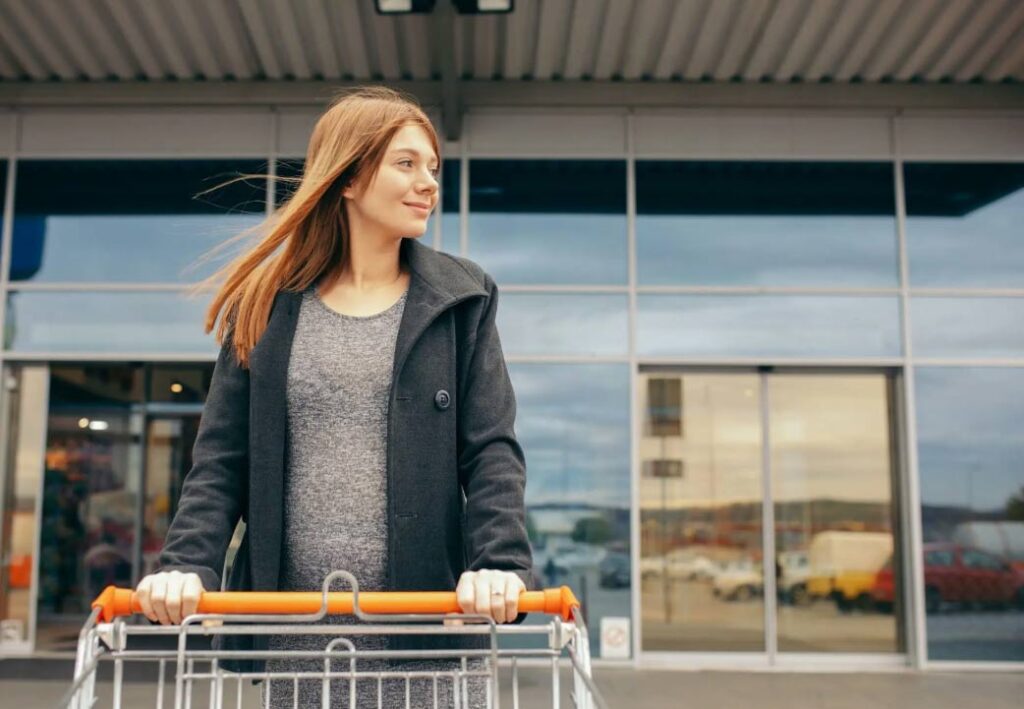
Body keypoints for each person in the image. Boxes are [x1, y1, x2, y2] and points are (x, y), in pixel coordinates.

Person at [134, 86, 535, 708]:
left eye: (433, 167)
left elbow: (491, 452)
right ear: (347, 178)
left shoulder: (463, 300)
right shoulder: (265, 308)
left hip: (427, 633)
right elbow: (221, 462)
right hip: (302, 634)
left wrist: (499, 567)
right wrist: (187, 564)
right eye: (406, 163)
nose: (427, 182)